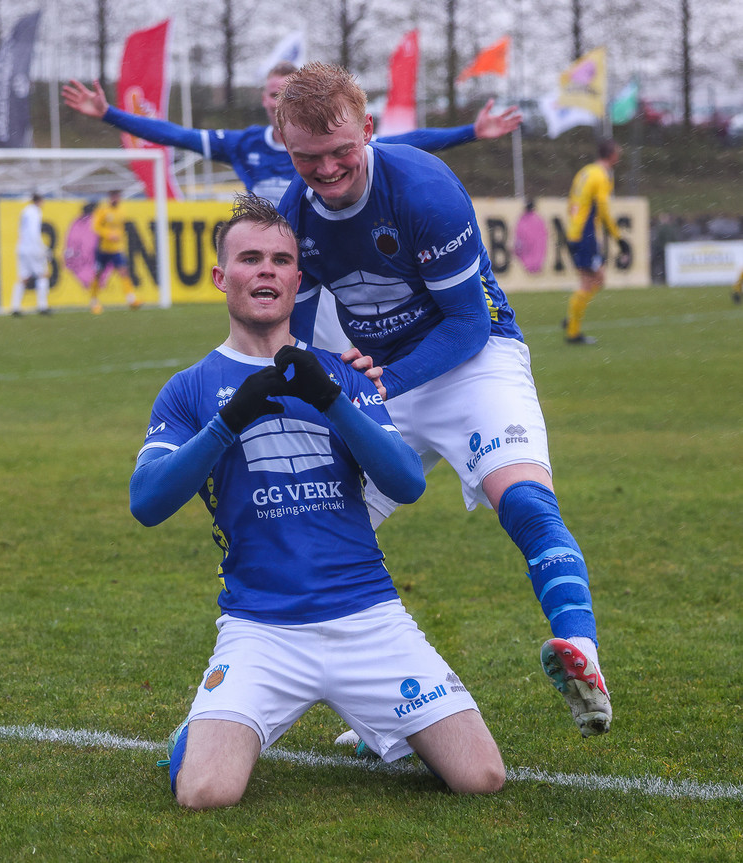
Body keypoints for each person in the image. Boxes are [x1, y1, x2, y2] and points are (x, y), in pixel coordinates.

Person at [129, 195, 505, 810]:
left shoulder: (344, 373)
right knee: (205, 793)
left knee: (481, 777)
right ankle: (198, 733)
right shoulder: (189, 389)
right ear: (222, 277)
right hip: (262, 627)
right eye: (250, 259)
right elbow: (146, 502)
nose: (267, 270)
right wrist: (228, 421)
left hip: (369, 617)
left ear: (297, 279)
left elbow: (407, 484)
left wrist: (330, 398)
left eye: (281, 260)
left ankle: (376, 725)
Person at [274, 62, 611, 739]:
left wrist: (381, 385)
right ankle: (389, 713)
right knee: (315, 541)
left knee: (525, 500)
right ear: (286, 145)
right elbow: (296, 338)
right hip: (381, 378)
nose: (328, 169)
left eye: (341, 150)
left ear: (368, 129)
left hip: (473, 362)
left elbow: (466, 324)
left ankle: (582, 654)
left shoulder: (424, 191)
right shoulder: (294, 216)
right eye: (309, 157)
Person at [62, 66, 520, 346]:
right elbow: (176, 135)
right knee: (285, 356)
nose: (325, 166)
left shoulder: (337, 136)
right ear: (267, 102)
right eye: (271, 91)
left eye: (286, 88)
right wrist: (109, 115)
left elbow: (408, 142)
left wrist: (470, 132)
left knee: (342, 362)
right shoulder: (243, 144)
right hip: (285, 263)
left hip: (330, 264)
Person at [563, 139, 627, 344]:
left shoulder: (585, 172)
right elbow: (603, 210)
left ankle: (573, 317)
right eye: (618, 152)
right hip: (585, 234)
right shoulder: (602, 175)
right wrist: (618, 238)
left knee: (594, 279)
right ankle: (573, 331)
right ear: (612, 155)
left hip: (575, 232)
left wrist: (573, 227)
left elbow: (572, 202)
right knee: (593, 280)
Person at [89, 189, 142, 314]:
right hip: (102, 249)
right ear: (110, 198)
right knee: (98, 274)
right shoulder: (103, 211)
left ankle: (131, 300)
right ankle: (94, 301)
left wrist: (119, 239)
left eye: (117, 197)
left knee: (124, 272)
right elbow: (95, 227)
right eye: (114, 197)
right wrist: (108, 234)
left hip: (116, 249)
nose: (116, 199)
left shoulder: (121, 212)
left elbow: (120, 229)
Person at [9, 193, 51, 316]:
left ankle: (15, 307)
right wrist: (42, 248)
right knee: (43, 275)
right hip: (32, 248)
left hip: (22, 248)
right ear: (39, 201)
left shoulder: (25, 211)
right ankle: (42, 307)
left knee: (24, 278)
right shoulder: (35, 212)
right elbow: (34, 233)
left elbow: (22, 231)